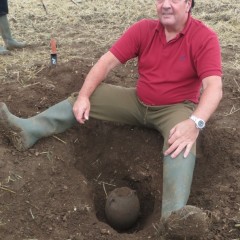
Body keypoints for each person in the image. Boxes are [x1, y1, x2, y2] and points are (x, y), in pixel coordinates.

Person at [0, 0, 222, 234]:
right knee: (89, 96)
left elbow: (213, 88)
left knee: (181, 144)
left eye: (174, 0)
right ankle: (28, 131)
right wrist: (85, 96)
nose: (165, 5)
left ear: (188, 4)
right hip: (138, 102)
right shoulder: (144, 29)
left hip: (175, 109)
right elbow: (106, 63)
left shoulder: (204, 38)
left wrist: (195, 123)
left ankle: (173, 221)